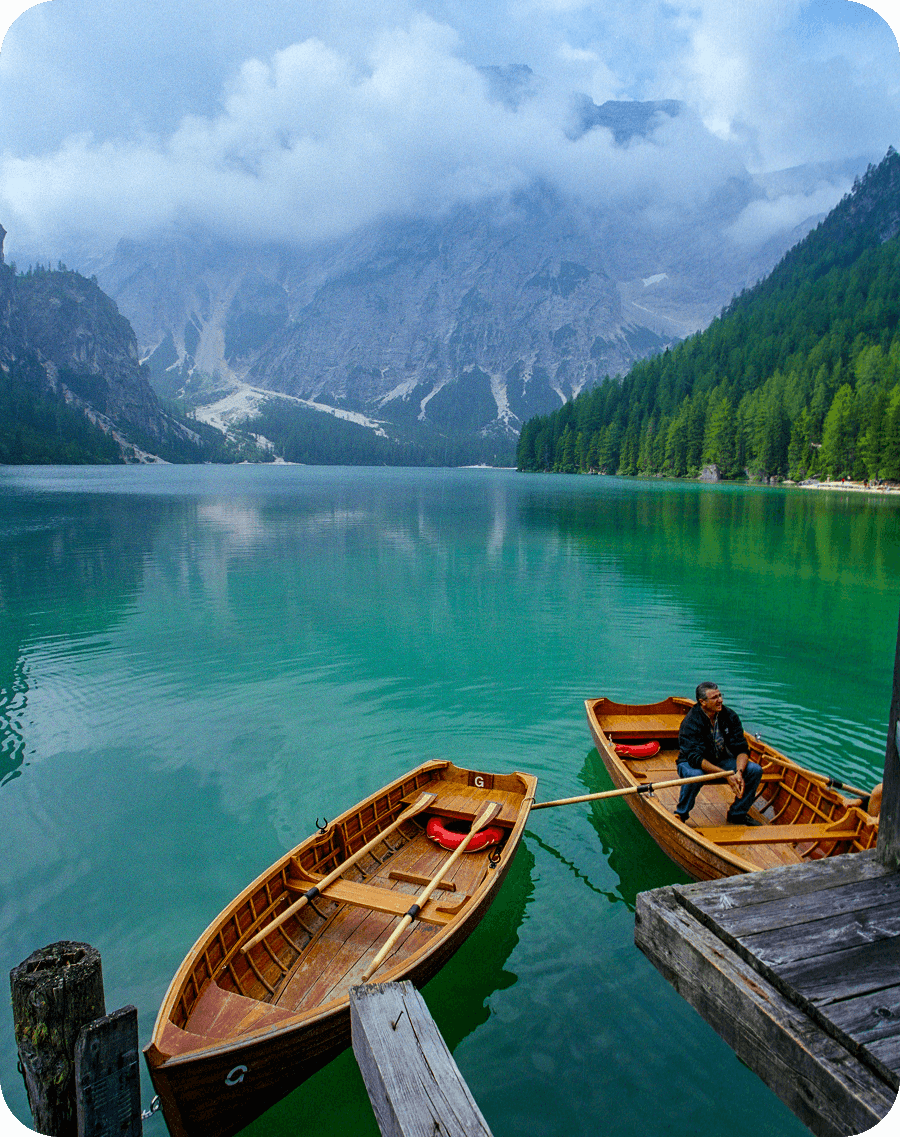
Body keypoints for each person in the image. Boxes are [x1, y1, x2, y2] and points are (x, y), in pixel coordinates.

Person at [674, 682, 763, 826]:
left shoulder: (729, 716)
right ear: (703, 702)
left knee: (754, 770)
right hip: (692, 763)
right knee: (694, 775)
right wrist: (726, 775)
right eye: (714, 698)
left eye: (720, 695)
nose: (720, 700)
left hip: (720, 759)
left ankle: (737, 814)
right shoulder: (690, 722)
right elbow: (695, 758)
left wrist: (739, 772)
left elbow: (742, 749)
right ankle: (681, 814)